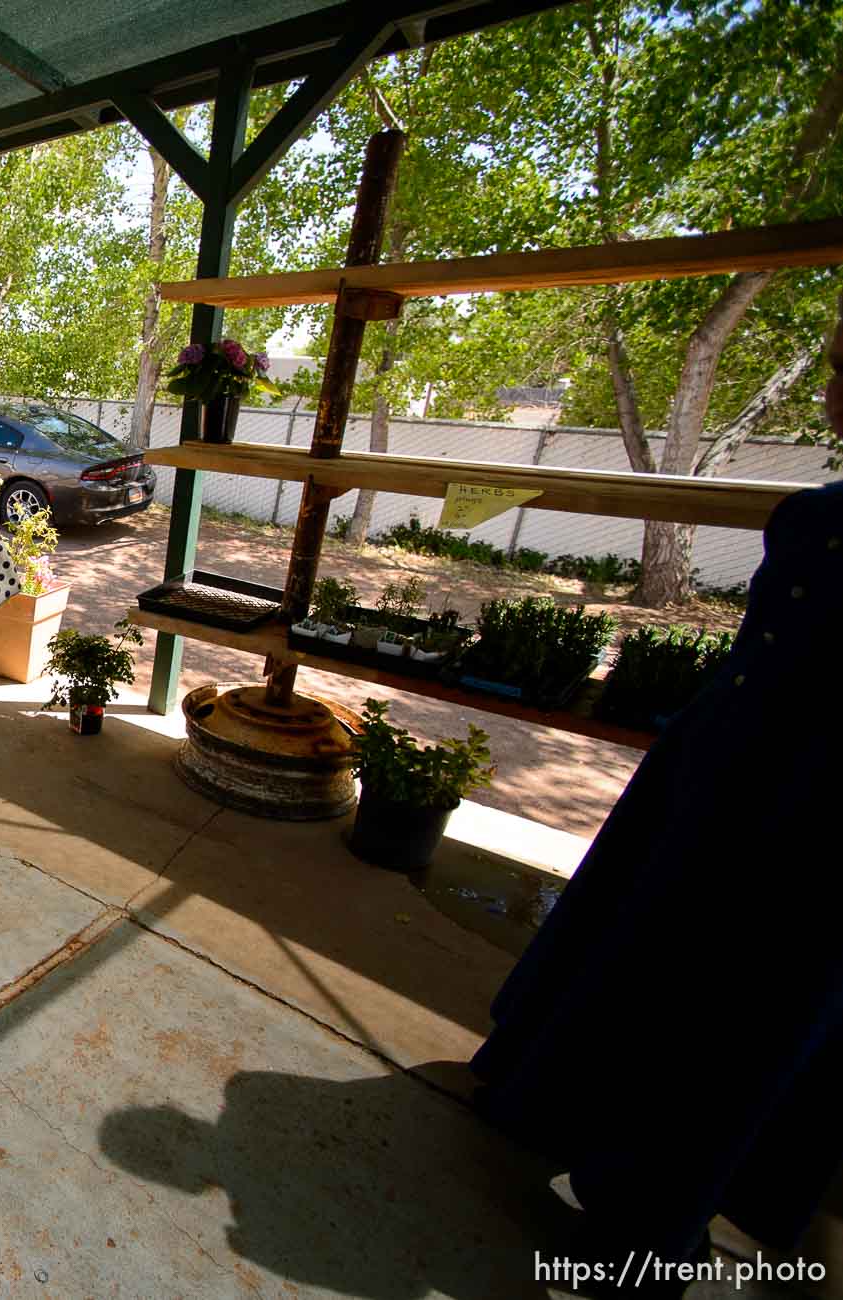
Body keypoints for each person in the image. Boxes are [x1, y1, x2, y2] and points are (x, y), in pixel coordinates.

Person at [469, 299, 843, 1292]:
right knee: (701, 992)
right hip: (742, 780)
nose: (829, 387)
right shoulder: (819, 520)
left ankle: (642, 1206)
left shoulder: (822, 527)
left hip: (772, 801)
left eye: (841, 366)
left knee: (711, 1000)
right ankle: (631, 1177)